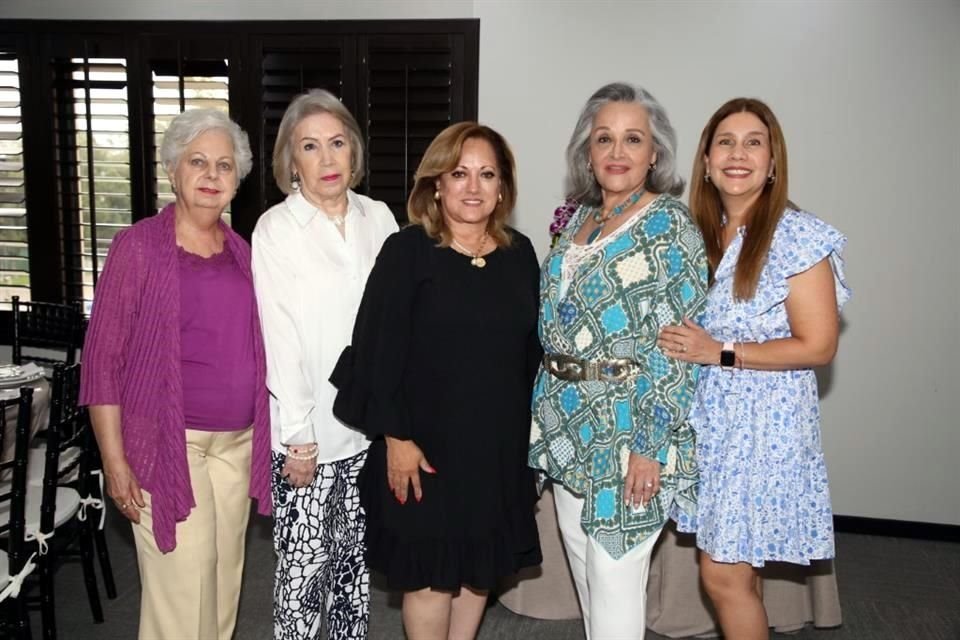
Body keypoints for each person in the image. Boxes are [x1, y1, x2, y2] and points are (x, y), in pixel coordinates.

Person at [330, 121, 542, 640]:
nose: (473, 187)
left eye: (486, 174)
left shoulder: (522, 256)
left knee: (477, 572)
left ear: (502, 188)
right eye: (459, 173)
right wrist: (397, 439)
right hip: (422, 451)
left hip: (494, 451)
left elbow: (530, 355)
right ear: (436, 185)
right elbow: (376, 354)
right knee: (428, 578)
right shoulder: (407, 252)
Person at [657, 97, 850, 640]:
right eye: (725, 142)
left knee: (721, 576)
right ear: (707, 160)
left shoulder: (797, 237)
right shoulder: (697, 234)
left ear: (772, 163)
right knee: (740, 575)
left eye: (753, 142)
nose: (738, 154)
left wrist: (721, 350)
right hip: (713, 429)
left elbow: (818, 345)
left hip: (764, 429)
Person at [79, 108, 271, 640]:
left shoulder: (243, 254)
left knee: (221, 585)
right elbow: (101, 362)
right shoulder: (138, 247)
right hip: (168, 446)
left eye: (225, 166)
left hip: (236, 443)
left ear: (237, 180)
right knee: (181, 597)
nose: (212, 175)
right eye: (198, 162)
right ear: (172, 170)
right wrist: (115, 462)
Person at [528, 82, 708, 640]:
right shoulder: (576, 222)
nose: (617, 151)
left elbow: (678, 348)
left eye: (633, 139)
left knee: (614, 580)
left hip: (629, 430)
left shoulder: (671, 226)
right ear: (587, 151)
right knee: (588, 577)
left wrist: (651, 447)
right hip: (565, 425)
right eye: (604, 138)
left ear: (655, 153)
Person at [252, 89, 398, 640]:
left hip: (367, 432)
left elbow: (394, 322)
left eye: (337, 143)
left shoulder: (378, 217)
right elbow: (281, 337)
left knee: (354, 579)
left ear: (353, 151)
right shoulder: (276, 229)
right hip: (307, 436)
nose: (328, 158)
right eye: (310, 147)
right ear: (292, 162)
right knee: (301, 580)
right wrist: (298, 435)